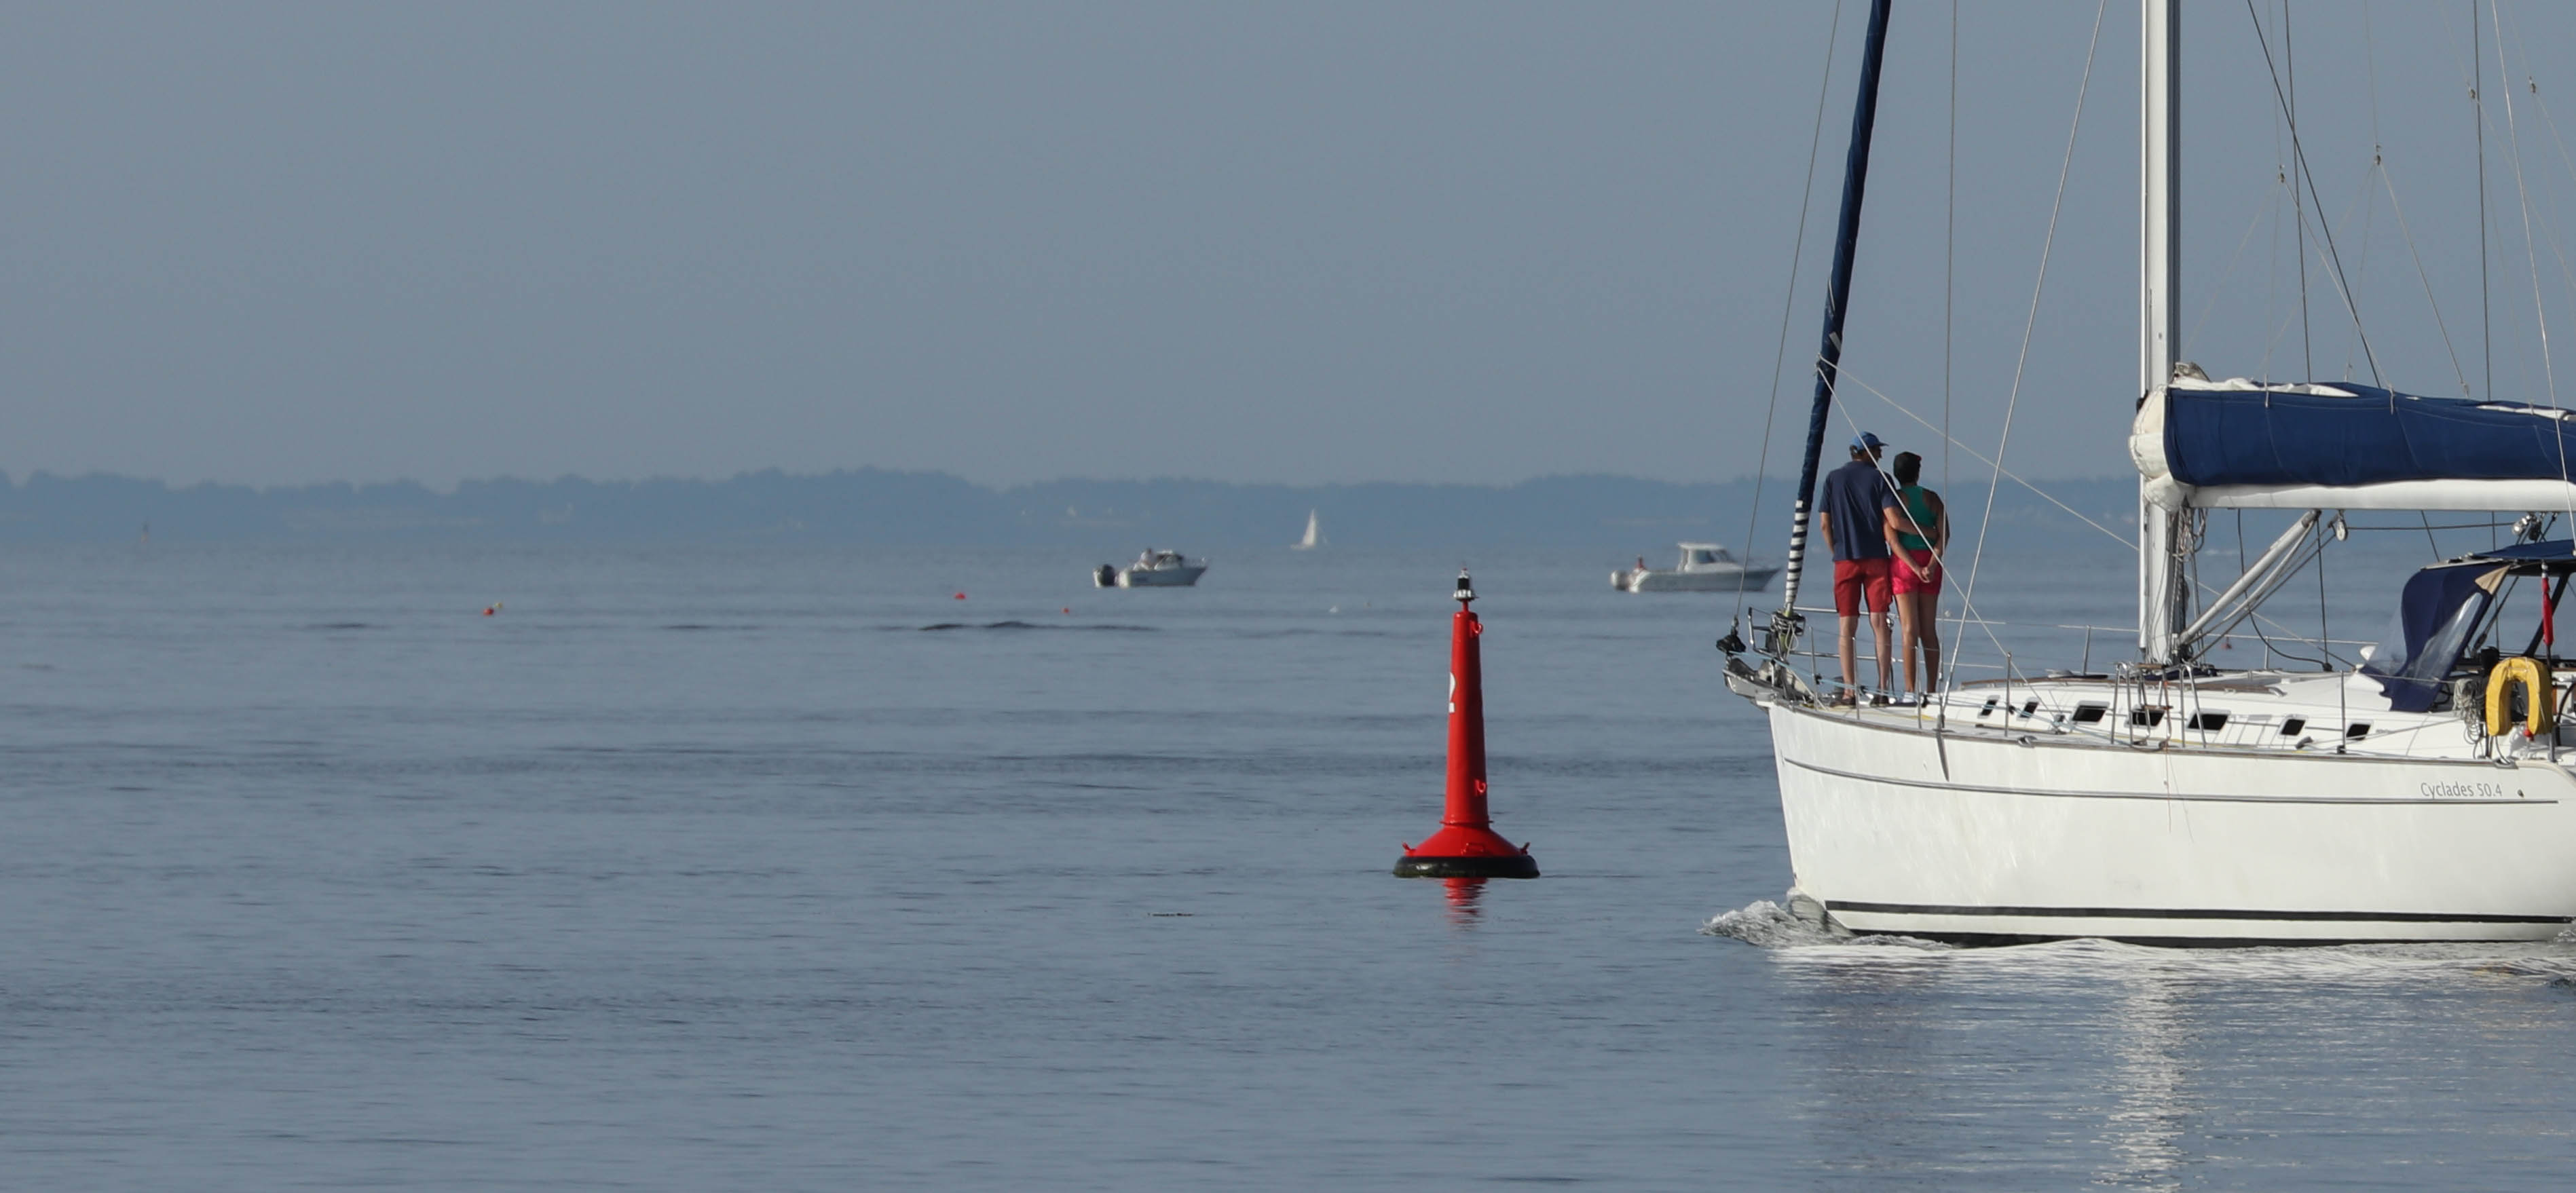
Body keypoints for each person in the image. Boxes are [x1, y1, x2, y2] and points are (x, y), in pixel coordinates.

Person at [1816, 432, 1897, 702]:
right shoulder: (1881, 479)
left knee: (1846, 625)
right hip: (1875, 557)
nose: (1881, 455)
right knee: (1879, 622)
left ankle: (1850, 689)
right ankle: (1883, 688)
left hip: (1845, 560)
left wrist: (1836, 551)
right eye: (1877, 450)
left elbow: (1825, 524)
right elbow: (1891, 520)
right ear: (1866, 452)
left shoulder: (1833, 479)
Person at [1881, 451, 1946, 696]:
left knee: (1909, 629)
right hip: (1930, 564)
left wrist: (1912, 567)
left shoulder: (1893, 500)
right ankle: (1931, 689)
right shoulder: (1933, 499)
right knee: (1929, 630)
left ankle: (1910, 689)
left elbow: (1893, 540)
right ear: (1917, 473)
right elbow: (1944, 536)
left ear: (1896, 475)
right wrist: (1930, 565)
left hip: (1903, 565)